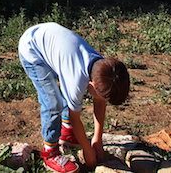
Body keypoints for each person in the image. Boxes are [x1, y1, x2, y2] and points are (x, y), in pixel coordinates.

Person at [18, 22, 130, 172]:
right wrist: (87, 149)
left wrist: (97, 139)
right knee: (53, 103)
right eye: (102, 95)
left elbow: (100, 101)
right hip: (32, 50)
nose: (102, 99)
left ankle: (67, 134)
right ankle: (50, 152)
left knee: (69, 96)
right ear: (92, 84)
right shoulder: (76, 80)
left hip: (52, 44)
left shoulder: (105, 69)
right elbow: (74, 117)